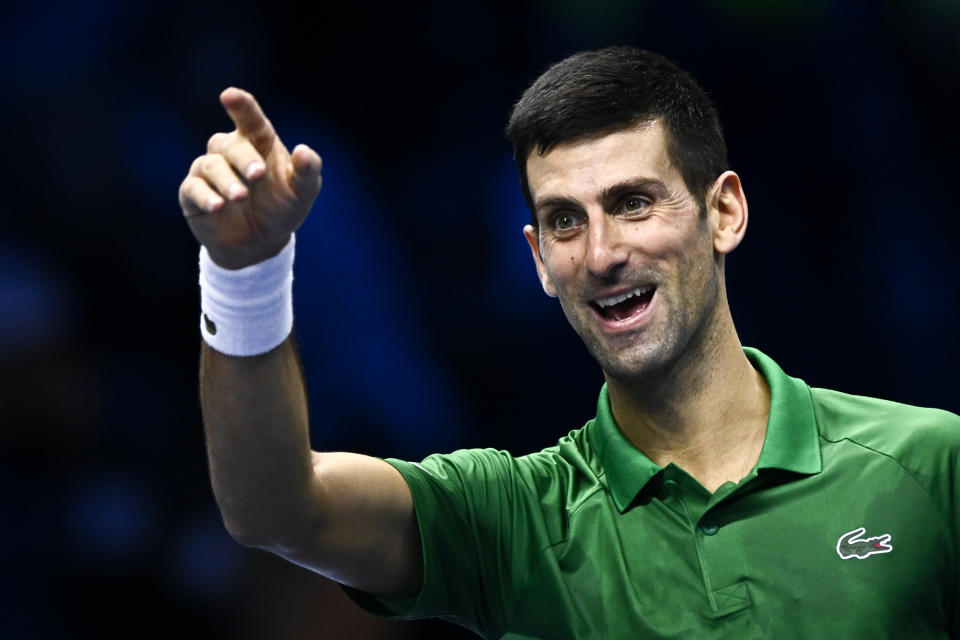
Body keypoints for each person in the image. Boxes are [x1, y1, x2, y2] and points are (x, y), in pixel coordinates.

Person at [178, 47, 959, 638]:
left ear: (723, 213)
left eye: (633, 203)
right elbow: (276, 511)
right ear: (538, 261)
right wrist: (245, 273)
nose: (600, 253)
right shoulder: (512, 518)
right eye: (564, 220)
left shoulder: (931, 464)